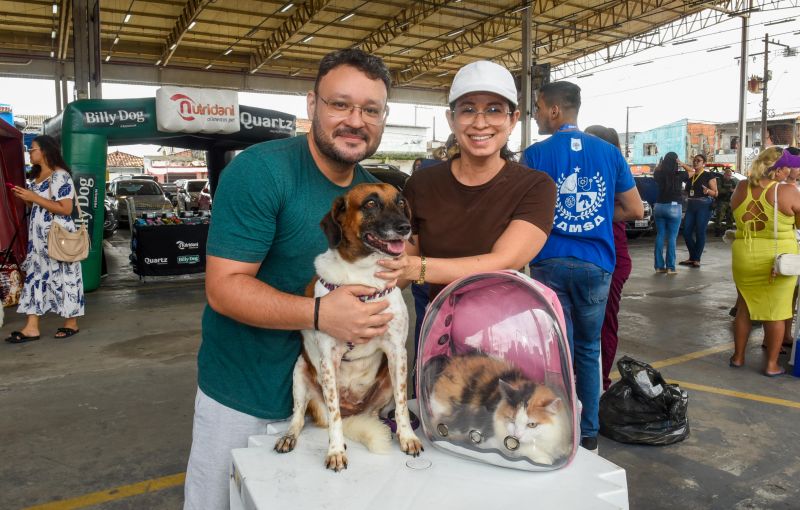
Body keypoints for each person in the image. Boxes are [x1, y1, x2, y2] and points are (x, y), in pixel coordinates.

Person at [183, 49, 400, 510]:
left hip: (331, 409)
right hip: (245, 399)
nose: (355, 120)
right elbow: (224, 287)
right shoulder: (261, 171)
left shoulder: (370, 195)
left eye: (371, 110)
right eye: (340, 104)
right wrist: (321, 314)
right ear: (312, 105)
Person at [521, 81, 643, 453]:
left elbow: (522, 211)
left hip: (550, 262)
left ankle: (560, 430)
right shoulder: (609, 152)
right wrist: (600, 217)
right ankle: (589, 433)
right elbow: (635, 209)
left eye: (538, 108)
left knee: (557, 351)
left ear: (554, 110)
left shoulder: (535, 154)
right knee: (589, 349)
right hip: (596, 264)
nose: (536, 115)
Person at [378, 60, 556, 307]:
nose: (480, 123)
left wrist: (417, 268)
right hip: (438, 321)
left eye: (494, 110)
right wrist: (362, 298)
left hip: (504, 324)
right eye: (468, 110)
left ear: (513, 120)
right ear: (451, 119)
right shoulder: (421, 184)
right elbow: (402, 263)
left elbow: (504, 261)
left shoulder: (535, 187)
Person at [4, 135, 84, 343]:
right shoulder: (38, 177)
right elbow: (41, 206)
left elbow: (65, 209)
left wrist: (34, 197)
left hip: (58, 237)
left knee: (65, 277)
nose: (30, 152)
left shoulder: (60, 176)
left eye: (33, 149)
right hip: (38, 240)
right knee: (35, 277)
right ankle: (31, 327)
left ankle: (71, 323)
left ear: (45, 151)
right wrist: (27, 199)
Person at [729, 148, 800, 376]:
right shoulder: (787, 191)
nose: (792, 170)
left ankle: (738, 357)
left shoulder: (742, 187)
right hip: (776, 260)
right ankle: (771, 365)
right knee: (776, 312)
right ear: (778, 170)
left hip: (744, 255)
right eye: (789, 166)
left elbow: (735, 213)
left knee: (744, 307)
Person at [584, 125, 633, 391]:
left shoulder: (615, 171)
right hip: (587, 257)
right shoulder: (587, 171)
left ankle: (600, 383)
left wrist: (597, 214)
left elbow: (634, 210)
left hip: (612, 258)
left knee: (604, 324)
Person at [677, 154, 718, 267]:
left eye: (698, 160)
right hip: (691, 205)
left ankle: (696, 259)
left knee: (700, 232)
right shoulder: (691, 175)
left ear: (704, 163)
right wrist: (681, 163)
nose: (695, 162)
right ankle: (693, 257)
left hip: (703, 205)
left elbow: (716, 193)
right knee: (686, 232)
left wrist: (708, 191)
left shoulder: (708, 175)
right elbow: (689, 170)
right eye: (694, 160)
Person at [652, 152, 686, 274]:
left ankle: (658, 266)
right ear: (676, 161)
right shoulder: (680, 174)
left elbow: (656, 170)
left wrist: (661, 164)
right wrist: (681, 163)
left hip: (659, 206)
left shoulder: (658, 174)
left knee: (660, 235)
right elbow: (692, 171)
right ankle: (670, 267)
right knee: (672, 237)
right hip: (674, 207)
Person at [714, 166, 737, 235]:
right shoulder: (720, 181)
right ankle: (717, 231)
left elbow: (736, 190)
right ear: (725, 174)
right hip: (722, 201)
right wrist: (729, 190)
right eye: (728, 175)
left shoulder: (732, 181)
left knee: (730, 217)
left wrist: (733, 191)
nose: (729, 176)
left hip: (730, 201)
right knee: (719, 217)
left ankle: (729, 230)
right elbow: (719, 190)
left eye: (730, 175)